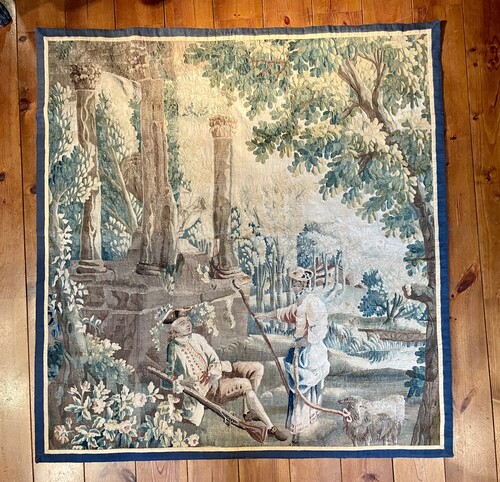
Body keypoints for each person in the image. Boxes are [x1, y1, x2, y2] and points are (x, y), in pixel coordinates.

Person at [163, 315, 288, 442]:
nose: (188, 325)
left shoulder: (197, 338)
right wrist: (181, 383)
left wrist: (213, 373)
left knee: (257, 368)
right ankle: (270, 427)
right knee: (246, 384)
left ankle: (248, 412)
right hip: (206, 390)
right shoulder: (173, 349)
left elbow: (213, 358)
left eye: (187, 321)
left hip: (219, 372)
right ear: (174, 331)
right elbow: (166, 380)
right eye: (182, 324)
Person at [255, 267, 330, 445]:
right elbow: (287, 313)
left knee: (303, 390)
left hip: (310, 353)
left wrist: (307, 340)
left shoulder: (312, 302)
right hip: (300, 351)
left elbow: (321, 326)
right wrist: (266, 316)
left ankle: (302, 430)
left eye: (298, 284)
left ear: (304, 285)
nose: (295, 286)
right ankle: (298, 430)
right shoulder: (300, 302)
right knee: (296, 391)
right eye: (294, 283)